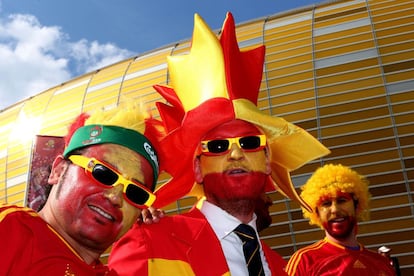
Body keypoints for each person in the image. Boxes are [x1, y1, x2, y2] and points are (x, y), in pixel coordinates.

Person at [108, 12, 330, 276]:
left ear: (268, 160)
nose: (235, 153)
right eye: (217, 147)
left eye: (249, 142)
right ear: (197, 169)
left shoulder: (282, 268)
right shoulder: (150, 242)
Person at [0, 104, 160, 275]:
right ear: (58, 170)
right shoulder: (9, 228)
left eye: (136, 193)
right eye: (103, 173)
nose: (116, 197)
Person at [285, 164, 396, 276]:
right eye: (326, 203)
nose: (335, 210)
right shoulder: (305, 260)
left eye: (342, 200)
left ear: (356, 206)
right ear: (316, 212)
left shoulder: (381, 263)